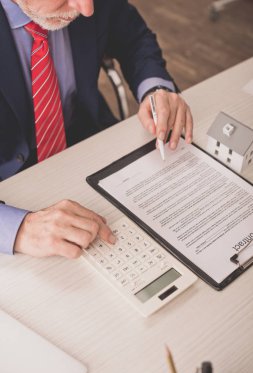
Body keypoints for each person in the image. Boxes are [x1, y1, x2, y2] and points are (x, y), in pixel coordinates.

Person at [0, 0, 193, 258]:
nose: (87, 9)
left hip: (88, 146)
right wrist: (18, 229)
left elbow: (133, 35)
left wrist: (155, 87)